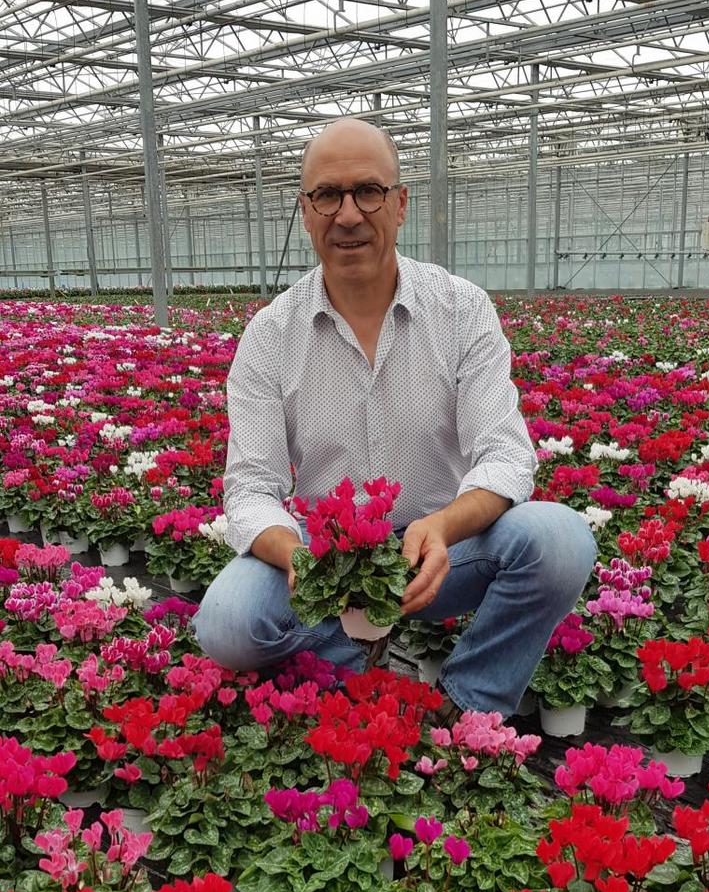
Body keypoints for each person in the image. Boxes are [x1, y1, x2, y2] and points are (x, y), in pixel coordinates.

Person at [194, 117, 596, 719]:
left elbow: (507, 456)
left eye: (369, 191)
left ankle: (469, 707)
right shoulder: (270, 335)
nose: (348, 214)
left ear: (400, 203)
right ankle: (346, 659)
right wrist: (301, 558)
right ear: (305, 212)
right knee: (226, 624)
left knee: (560, 540)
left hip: (438, 554)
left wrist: (442, 527)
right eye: (327, 195)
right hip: (321, 559)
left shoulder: (460, 310)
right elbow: (251, 487)